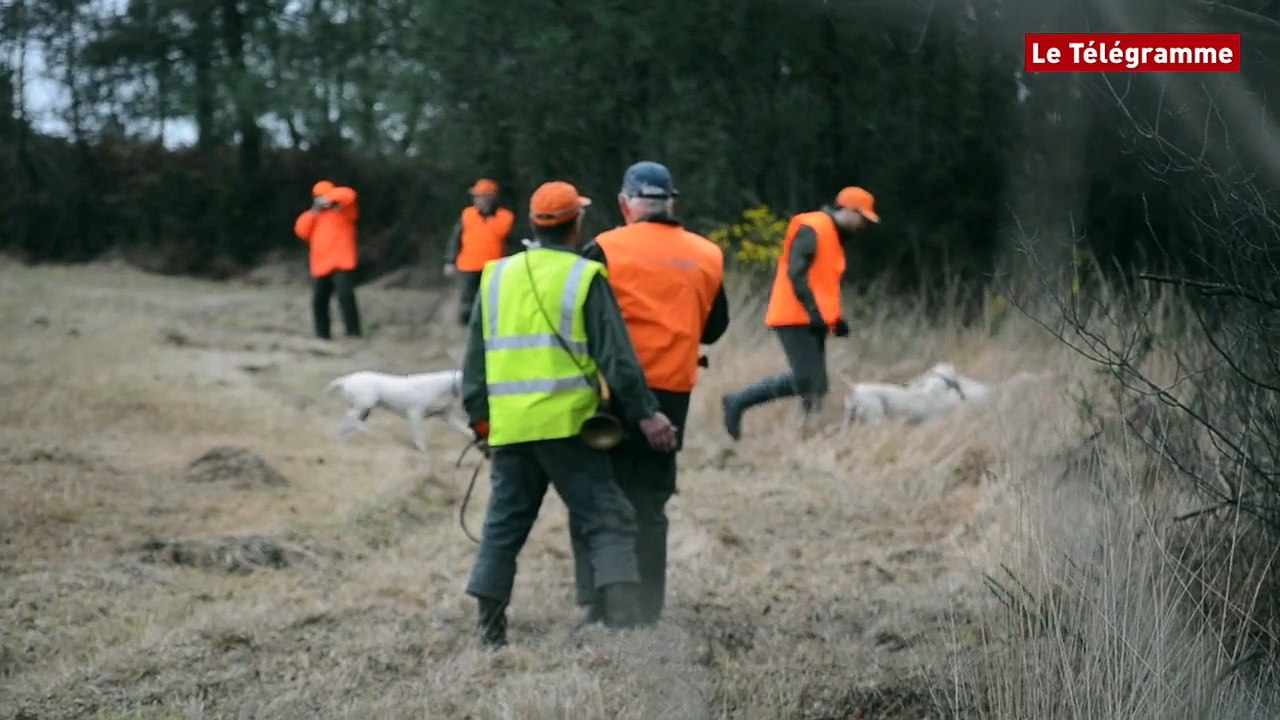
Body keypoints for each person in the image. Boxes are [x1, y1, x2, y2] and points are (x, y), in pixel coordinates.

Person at [461, 179, 679, 648]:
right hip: (569, 427)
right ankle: (621, 626)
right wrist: (646, 414)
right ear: (576, 223)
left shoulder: (495, 276)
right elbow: (617, 360)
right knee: (610, 517)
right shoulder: (584, 277)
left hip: (512, 428)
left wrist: (481, 422)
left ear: (534, 224)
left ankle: (489, 632)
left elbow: (474, 364)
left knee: (502, 528)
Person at [569, 161, 729, 629]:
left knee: (602, 499)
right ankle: (648, 610)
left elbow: (578, 317)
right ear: (671, 202)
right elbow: (715, 328)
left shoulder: (603, 248)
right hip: (671, 397)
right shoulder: (707, 254)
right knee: (650, 504)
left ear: (625, 204)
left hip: (609, 397)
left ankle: (601, 608)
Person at [720, 186, 880, 439]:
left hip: (811, 319)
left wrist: (835, 320)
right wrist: (814, 312)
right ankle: (738, 401)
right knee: (808, 380)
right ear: (848, 210)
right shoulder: (814, 228)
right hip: (794, 317)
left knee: (816, 386)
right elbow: (796, 273)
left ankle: (805, 436)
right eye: (862, 218)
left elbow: (823, 283)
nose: (863, 225)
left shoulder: (834, 237)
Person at [294, 180, 362, 339]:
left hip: (342, 263)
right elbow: (301, 230)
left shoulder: (345, 211)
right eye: (318, 197)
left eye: (322, 196)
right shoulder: (314, 216)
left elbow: (349, 194)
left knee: (346, 298)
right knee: (319, 302)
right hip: (321, 266)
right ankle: (322, 336)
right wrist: (314, 211)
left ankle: (354, 334)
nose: (321, 200)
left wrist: (329, 199)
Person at [443, 178, 516, 326]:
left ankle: (488, 330)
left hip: (494, 269)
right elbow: (455, 239)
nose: (476, 199)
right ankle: (465, 332)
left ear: (491, 197)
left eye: (480, 196)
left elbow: (513, 245)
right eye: (476, 196)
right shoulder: (467, 214)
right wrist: (450, 261)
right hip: (468, 267)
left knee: (492, 302)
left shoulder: (506, 217)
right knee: (467, 304)